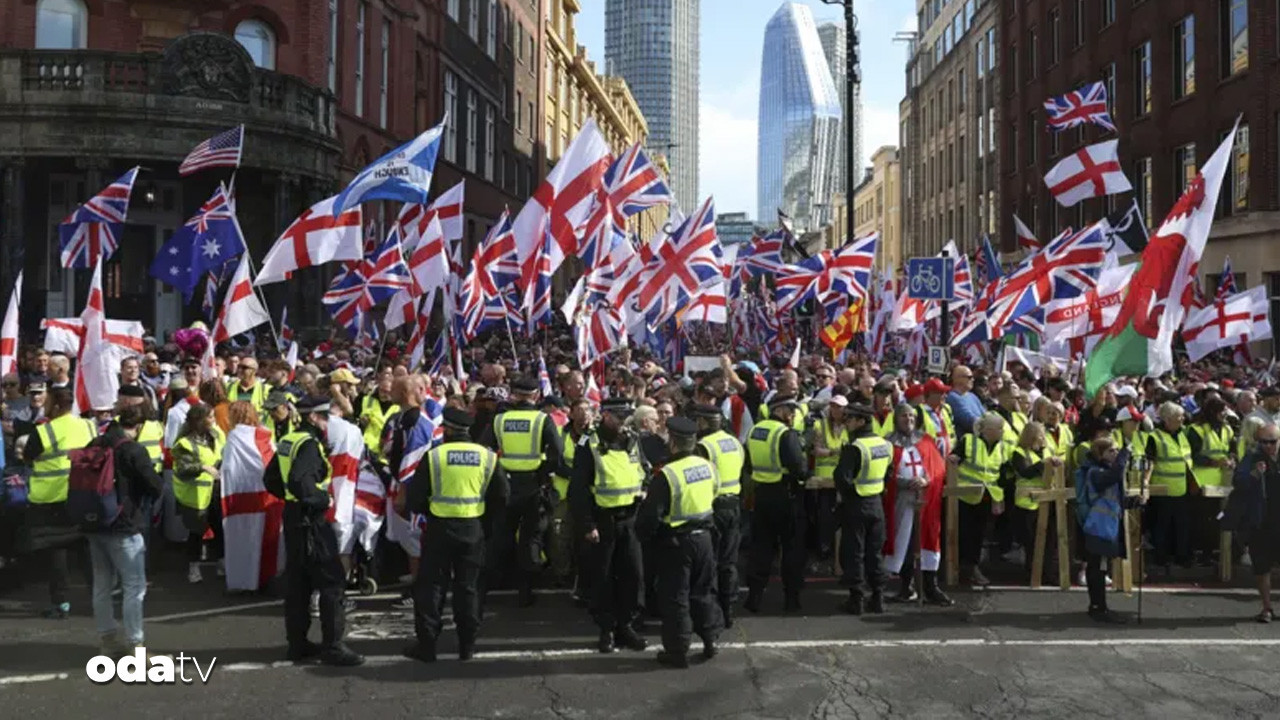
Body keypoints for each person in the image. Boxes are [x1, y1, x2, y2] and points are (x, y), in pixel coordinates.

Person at [263, 395, 364, 666]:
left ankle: (297, 645)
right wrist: (322, 500)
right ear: (313, 417)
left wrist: (291, 498)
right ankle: (333, 647)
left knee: (299, 584)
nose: (327, 424)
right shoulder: (309, 445)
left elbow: (271, 479)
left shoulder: (289, 440)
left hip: (294, 518)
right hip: (312, 521)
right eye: (324, 418)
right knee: (332, 582)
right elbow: (300, 481)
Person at [402, 407, 508, 663]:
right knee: (468, 589)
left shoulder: (435, 456)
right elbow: (502, 496)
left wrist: (431, 511)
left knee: (432, 588)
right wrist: (484, 521)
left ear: (448, 430)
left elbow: (415, 498)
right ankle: (467, 646)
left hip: (439, 528)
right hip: (473, 529)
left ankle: (427, 646)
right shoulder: (487, 457)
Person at [635, 416, 723, 668]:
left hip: (677, 542)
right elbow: (714, 493)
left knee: (676, 598)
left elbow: (650, 516)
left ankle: (677, 650)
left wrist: (645, 537)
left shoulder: (668, 474)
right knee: (703, 592)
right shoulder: (708, 466)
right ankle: (710, 640)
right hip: (704, 537)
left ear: (673, 443)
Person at [568, 398, 648, 654]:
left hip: (631, 518)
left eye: (626, 416)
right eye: (618, 417)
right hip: (603, 520)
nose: (623, 422)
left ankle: (627, 625)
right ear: (605, 416)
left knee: (632, 575)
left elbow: (643, 471)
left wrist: (645, 491)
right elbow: (578, 489)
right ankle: (607, 629)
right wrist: (587, 524)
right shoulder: (588, 443)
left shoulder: (632, 439)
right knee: (603, 578)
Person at [85, 405, 164, 656]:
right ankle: (135, 644)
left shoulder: (95, 443)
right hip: (124, 524)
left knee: (102, 585)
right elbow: (155, 486)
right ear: (138, 427)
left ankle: (107, 640)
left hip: (94, 522)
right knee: (134, 586)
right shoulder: (133, 450)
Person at [484, 376, 564, 606]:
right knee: (531, 538)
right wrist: (543, 471)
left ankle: (490, 585)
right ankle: (525, 590)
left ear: (514, 395)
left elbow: (485, 448)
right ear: (536, 395)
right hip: (533, 485)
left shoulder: (500, 420)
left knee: (501, 535)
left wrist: (497, 472)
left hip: (506, 484)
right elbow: (557, 452)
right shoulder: (542, 419)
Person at [22, 387, 97, 618]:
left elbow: (27, 457)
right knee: (87, 550)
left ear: (55, 406)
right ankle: (100, 599)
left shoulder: (43, 432)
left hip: (51, 499)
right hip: (83, 495)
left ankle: (61, 604)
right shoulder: (89, 426)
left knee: (57, 553)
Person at [744, 395, 808, 613]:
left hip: (762, 495)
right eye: (791, 410)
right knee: (791, 548)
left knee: (761, 547)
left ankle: (754, 597)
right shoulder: (785, 434)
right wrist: (805, 474)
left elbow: (748, 463)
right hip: (785, 495)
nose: (793, 415)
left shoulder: (755, 430)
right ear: (779, 410)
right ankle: (792, 599)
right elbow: (798, 467)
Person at [881, 404, 951, 605]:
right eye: (904, 416)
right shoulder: (887, 443)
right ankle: (906, 586)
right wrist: (900, 482)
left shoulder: (926, 440)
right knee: (904, 540)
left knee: (927, 538)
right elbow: (883, 471)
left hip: (925, 500)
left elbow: (938, 468)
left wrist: (926, 480)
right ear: (896, 419)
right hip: (900, 499)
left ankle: (930, 586)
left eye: (911, 416)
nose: (909, 419)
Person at [1077, 437, 1147, 623]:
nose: (1115, 453)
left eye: (1116, 450)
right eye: (1111, 451)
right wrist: (1125, 452)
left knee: (1100, 568)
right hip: (1098, 527)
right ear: (1100, 454)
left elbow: (1115, 500)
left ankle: (1099, 606)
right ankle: (1097, 607)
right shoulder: (1096, 472)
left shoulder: (1106, 472)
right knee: (1097, 568)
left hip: (1106, 527)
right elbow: (1114, 475)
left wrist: (1133, 502)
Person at [833, 403, 892, 615]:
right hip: (876, 503)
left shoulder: (855, 447)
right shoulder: (884, 444)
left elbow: (842, 477)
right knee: (874, 552)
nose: (846, 423)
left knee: (854, 552)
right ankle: (878, 597)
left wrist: (848, 495)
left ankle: (856, 598)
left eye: (849, 419)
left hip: (856, 504)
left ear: (860, 421)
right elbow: (889, 473)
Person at [693, 403, 744, 627]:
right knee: (728, 561)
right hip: (733, 504)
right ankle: (728, 608)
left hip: (713, 507)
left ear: (703, 422)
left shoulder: (704, 445)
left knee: (710, 562)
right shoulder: (733, 442)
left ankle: (712, 613)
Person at [1223, 424, 1280, 622]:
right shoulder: (1252, 457)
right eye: (1263, 442)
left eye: (1272, 442)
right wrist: (1255, 474)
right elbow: (1239, 482)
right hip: (1260, 521)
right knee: (1261, 567)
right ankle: (1267, 608)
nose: (1268, 446)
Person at [947, 412, 1009, 587]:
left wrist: (1000, 498)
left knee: (978, 535)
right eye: (999, 428)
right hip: (964, 495)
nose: (1002, 432)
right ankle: (960, 568)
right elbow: (954, 459)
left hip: (987, 496)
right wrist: (954, 459)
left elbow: (1002, 473)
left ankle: (971, 567)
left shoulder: (1002, 447)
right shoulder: (968, 441)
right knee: (963, 534)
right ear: (988, 430)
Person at [171, 403, 226, 584]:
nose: (213, 421)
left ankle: (221, 562)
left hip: (215, 492)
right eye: (210, 417)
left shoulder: (215, 436)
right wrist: (202, 467)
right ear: (199, 420)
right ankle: (193, 568)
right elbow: (182, 469)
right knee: (196, 533)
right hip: (195, 497)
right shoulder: (185, 444)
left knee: (219, 529)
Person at [1009, 421, 1065, 583]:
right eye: (1040, 435)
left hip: (1047, 501)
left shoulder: (1047, 451)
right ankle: (1033, 575)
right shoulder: (1019, 453)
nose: (1043, 438)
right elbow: (1025, 473)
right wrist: (1043, 464)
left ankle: (1049, 575)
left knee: (1050, 541)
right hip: (1027, 503)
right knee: (1032, 543)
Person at [1146, 401, 1195, 574]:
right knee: (1162, 526)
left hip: (1181, 489)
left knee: (1182, 526)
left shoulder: (1182, 434)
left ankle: (1182, 557)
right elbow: (1150, 461)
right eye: (1178, 417)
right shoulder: (1155, 437)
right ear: (1167, 419)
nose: (1182, 419)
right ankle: (1161, 558)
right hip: (1163, 489)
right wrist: (1146, 482)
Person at [551, 398, 593, 591]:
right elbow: (556, 462)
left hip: (589, 495)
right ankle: (562, 573)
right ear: (571, 413)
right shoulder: (560, 434)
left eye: (587, 410)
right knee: (560, 536)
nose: (584, 414)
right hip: (564, 494)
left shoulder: (595, 436)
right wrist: (576, 476)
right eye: (580, 410)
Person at [1187, 396, 1235, 565]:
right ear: (1213, 412)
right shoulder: (1197, 430)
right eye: (1222, 411)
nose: (1225, 415)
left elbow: (1231, 449)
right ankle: (1200, 553)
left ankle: (1211, 551)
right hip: (1201, 480)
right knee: (1202, 519)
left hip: (1221, 480)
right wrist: (1213, 462)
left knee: (1217, 517)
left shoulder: (1227, 429)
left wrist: (1231, 459)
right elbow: (1192, 455)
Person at [808, 394, 848, 562]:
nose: (835, 410)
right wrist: (836, 452)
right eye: (833, 406)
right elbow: (817, 450)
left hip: (843, 480)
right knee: (825, 519)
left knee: (842, 519)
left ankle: (838, 556)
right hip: (824, 481)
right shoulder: (820, 425)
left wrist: (829, 451)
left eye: (839, 407)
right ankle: (824, 552)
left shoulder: (849, 426)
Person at [946, 365, 985, 436]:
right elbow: (969, 421)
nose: (973, 380)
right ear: (958, 379)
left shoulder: (973, 396)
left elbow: (985, 415)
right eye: (969, 377)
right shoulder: (952, 398)